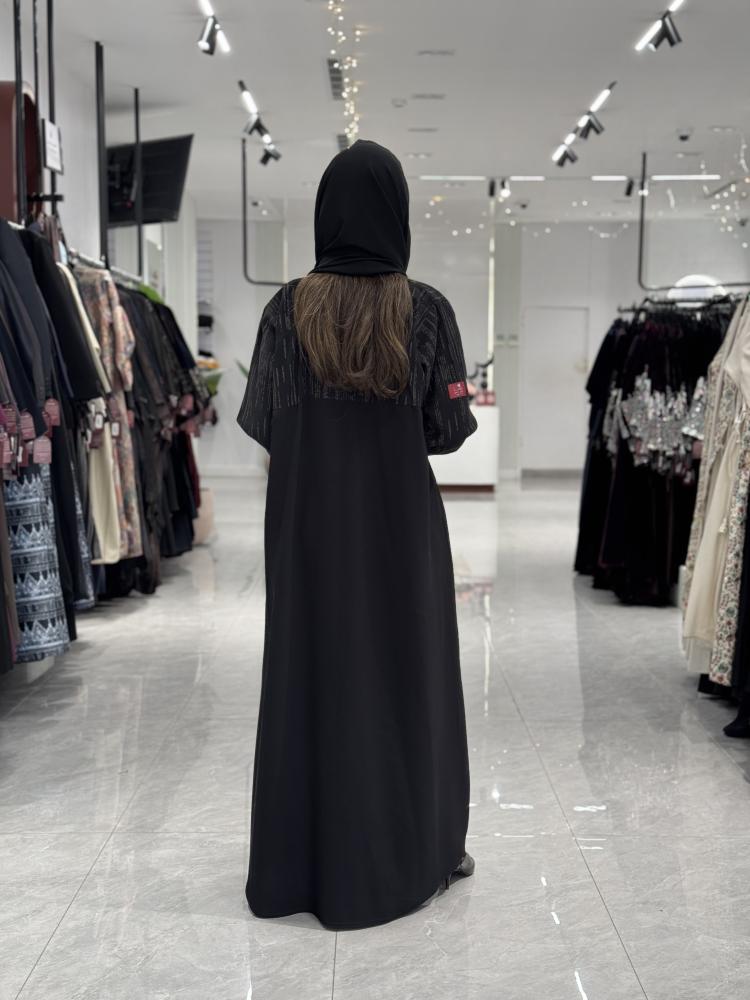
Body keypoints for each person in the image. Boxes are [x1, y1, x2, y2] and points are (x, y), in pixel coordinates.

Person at [237, 139, 478, 930]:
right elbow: (447, 432)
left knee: (308, 674)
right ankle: (417, 848)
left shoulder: (284, 311)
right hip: (399, 527)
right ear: (397, 214)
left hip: (306, 525)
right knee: (409, 678)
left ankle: (299, 867)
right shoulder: (428, 309)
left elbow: (265, 423)